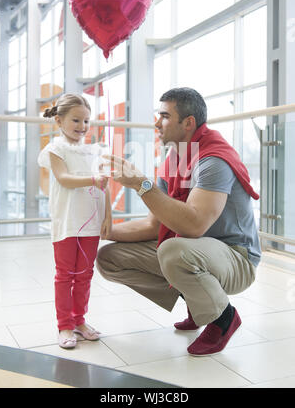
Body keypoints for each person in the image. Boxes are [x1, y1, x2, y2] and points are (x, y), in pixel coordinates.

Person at [96, 87, 261, 356]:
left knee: (173, 250)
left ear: (188, 123)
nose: (156, 123)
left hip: (236, 258)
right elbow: (154, 226)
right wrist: (104, 231)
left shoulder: (213, 160)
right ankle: (200, 303)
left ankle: (224, 318)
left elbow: (194, 225)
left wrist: (141, 184)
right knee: (110, 258)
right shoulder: (173, 159)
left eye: (163, 116)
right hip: (197, 251)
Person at [38, 94, 111, 349]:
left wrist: (107, 218)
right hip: (67, 222)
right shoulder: (55, 150)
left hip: (91, 223)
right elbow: (64, 178)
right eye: (76, 120)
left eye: (86, 121)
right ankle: (65, 325)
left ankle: (80, 321)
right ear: (59, 120)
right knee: (65, 275)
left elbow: (106, 187)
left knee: (84, 274)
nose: (82, 126)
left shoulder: (96, 151)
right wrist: (92, 180)